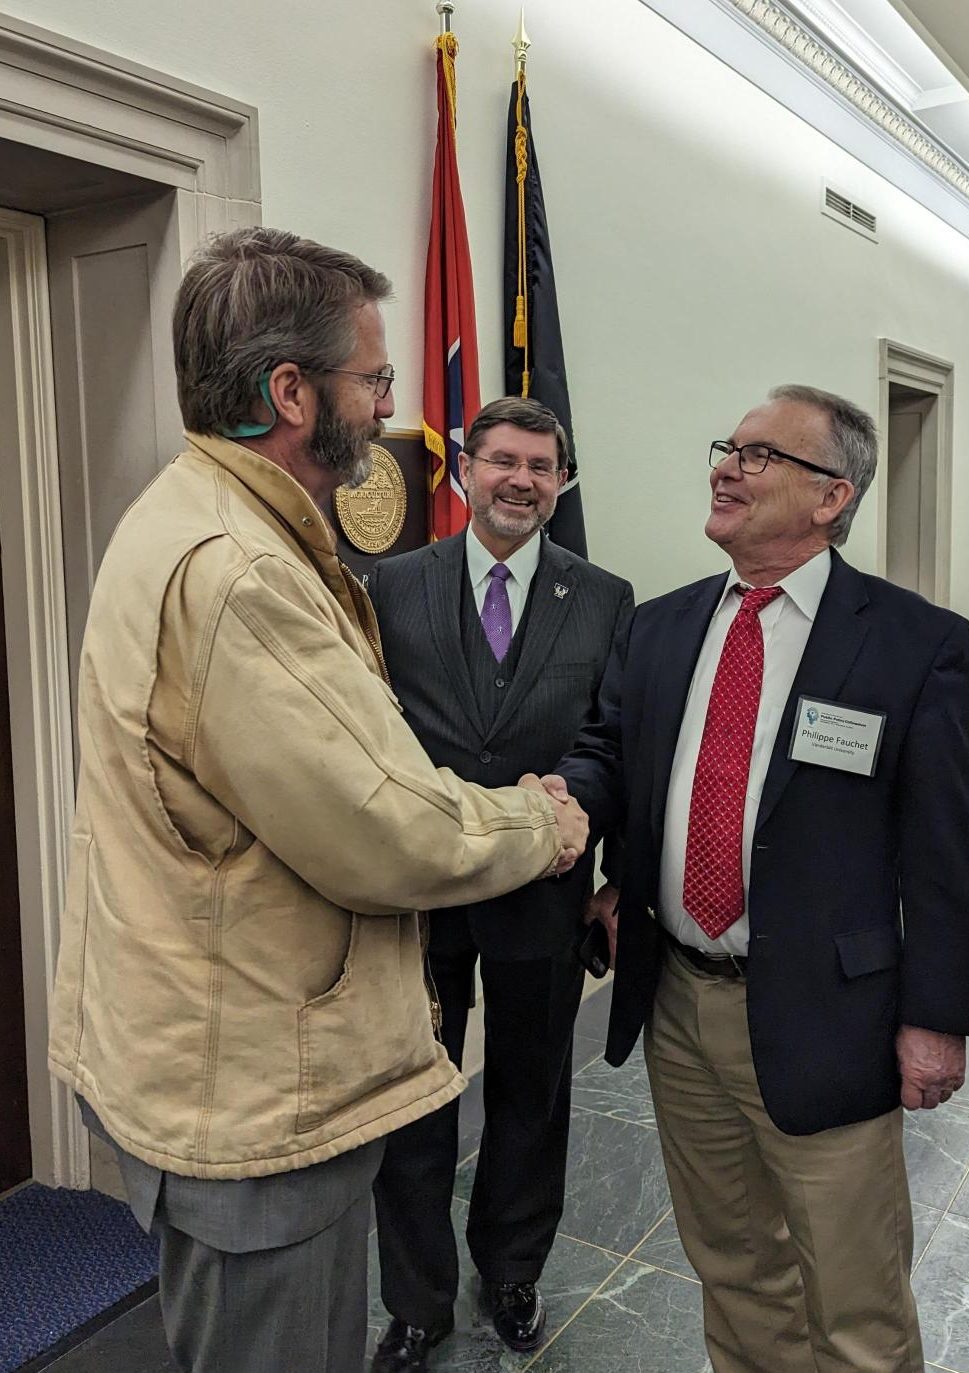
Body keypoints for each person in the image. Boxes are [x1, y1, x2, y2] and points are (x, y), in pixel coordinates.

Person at [46, 227, 588, 1373]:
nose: (390, 405)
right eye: (375, 379)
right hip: (254, 1089)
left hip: (209, 1046)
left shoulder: (189, 512)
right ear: (291, 391)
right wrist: (544, 821)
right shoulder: (241, 571)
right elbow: (385, 827)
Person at [549, 384, 969, 1373]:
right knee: (733, 1270)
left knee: (853, 1302)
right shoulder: (660, 625)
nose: (724, 466)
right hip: (678, 1004)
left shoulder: (913, 642)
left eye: (756, 454)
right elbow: (613, 753)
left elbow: (947, 851)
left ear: (832, 496)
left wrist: (936, 1018)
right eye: (726, 448)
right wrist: (569, 803)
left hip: (831, 1015)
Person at [366, 396, 633, 1371]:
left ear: (560, 482)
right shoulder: (390, 586)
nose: (522, 479)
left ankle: (511, 1269)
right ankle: (414, 1298)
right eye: (503, 460)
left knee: (530, 1091)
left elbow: (612, 738)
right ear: (463, 469)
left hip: (543, 888)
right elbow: (370, 730)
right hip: (416, 893)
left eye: (541, 465)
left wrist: (595, 838)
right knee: (411, 1098)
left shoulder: (603, 597)